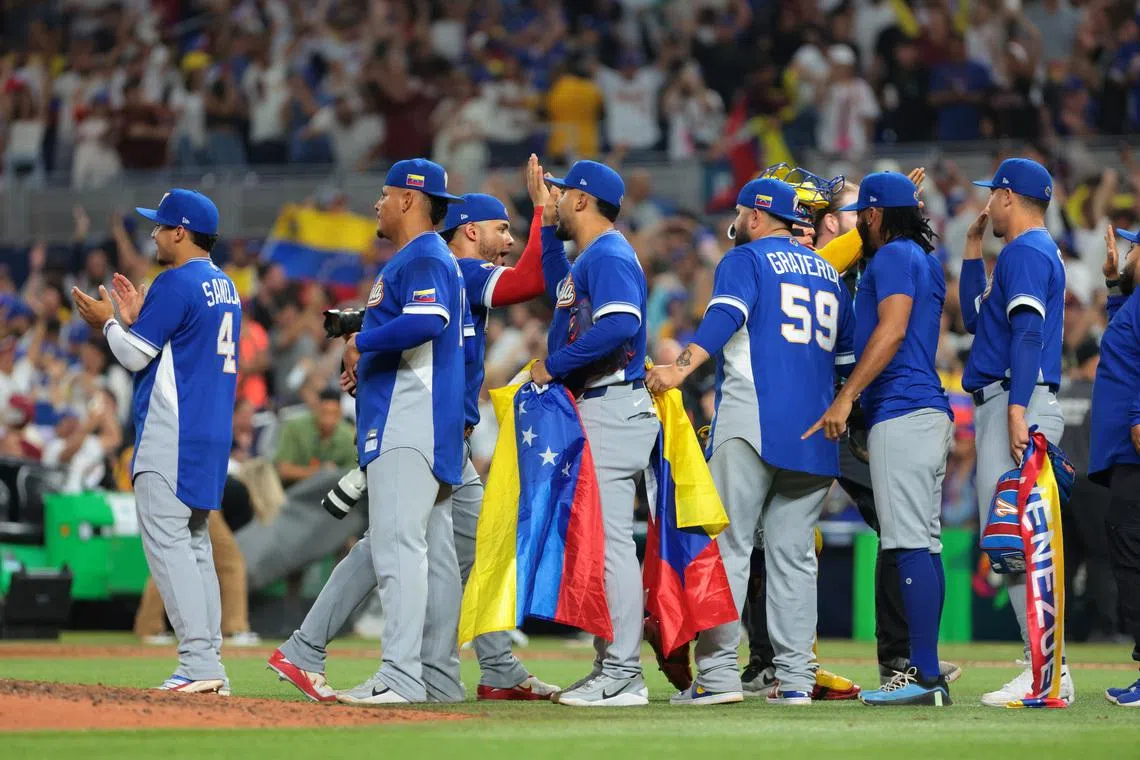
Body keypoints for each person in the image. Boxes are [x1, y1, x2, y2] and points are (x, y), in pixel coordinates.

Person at [646, 177, 855, 706]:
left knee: (729, 550)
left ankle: (716, 677)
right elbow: (849, 357)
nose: (735, 221)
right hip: (816, 433)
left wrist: (682, 366)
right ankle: (795, 679)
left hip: (755, 419)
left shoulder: (746, 259)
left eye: (740, 212)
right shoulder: (829, 271)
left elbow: (725, 316)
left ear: (758, 217)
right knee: (793, 557)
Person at [268, 159, 466, 706]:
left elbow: (431, 321)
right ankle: (431, 678)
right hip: (417, 421)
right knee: (425, 553)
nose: (376, 203)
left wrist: (363, 342)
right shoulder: (419, 258)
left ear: (408, 199)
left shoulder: (423, 254)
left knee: (401, 549)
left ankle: (401, 676)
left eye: (384, 194)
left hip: (411, 421)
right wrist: (367, 338)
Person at [71, 189, 240, 693]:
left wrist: (109, 325)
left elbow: (135, 356)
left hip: (172, 429)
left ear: (180, 232)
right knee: (195, 547)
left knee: (169, 546)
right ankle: (210, 665)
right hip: (210, 432)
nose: (153, 234)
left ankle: (198, 665)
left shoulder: (176, 281)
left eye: (161, 226)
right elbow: (175, 345)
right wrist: (140, 318)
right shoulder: (226, 285)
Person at [807, 172, 954, 706]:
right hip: (925, 411)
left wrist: (847, 398)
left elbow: (890, 330)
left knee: (907, 543)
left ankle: (925, 678)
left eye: (861, 217)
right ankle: (926, 669)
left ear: (872, 216)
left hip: (901, 408)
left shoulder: (892, 257)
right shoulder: (921, 258)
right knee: (926, 543)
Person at [529, 160, 659, 707]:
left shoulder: (608, 253)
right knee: (602, 547)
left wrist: (554, 365)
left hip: (612, 405)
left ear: (583, 201)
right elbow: (557, 277)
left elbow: (622, 323)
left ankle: (624, 672)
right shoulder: (593, 255)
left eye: (560, 193)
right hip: (604, 407)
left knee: (610, 549)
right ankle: (612, 665)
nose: (555, 199)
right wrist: (538, 209)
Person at [959, 158, 1074, 706]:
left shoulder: (1026, 253)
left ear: (1008, 196)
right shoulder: (1025, 253)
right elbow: (973, 321)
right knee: (1012, 545)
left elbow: (1027, 335)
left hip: (1015, 400)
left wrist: (1017, 409)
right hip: (1008, 398)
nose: (988, 204)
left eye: (992, 195)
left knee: (1016, 545)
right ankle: (1047, 668)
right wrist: (970, 248)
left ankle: (1045, 673)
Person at [1091, 227, 1140, 706]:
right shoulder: (1135, 300)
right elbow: (1127, 338)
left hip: (1135, 448)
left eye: (1132, 247)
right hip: (1125, 452)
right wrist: (1112, 286)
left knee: (1133, 553)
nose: (1126, 252)